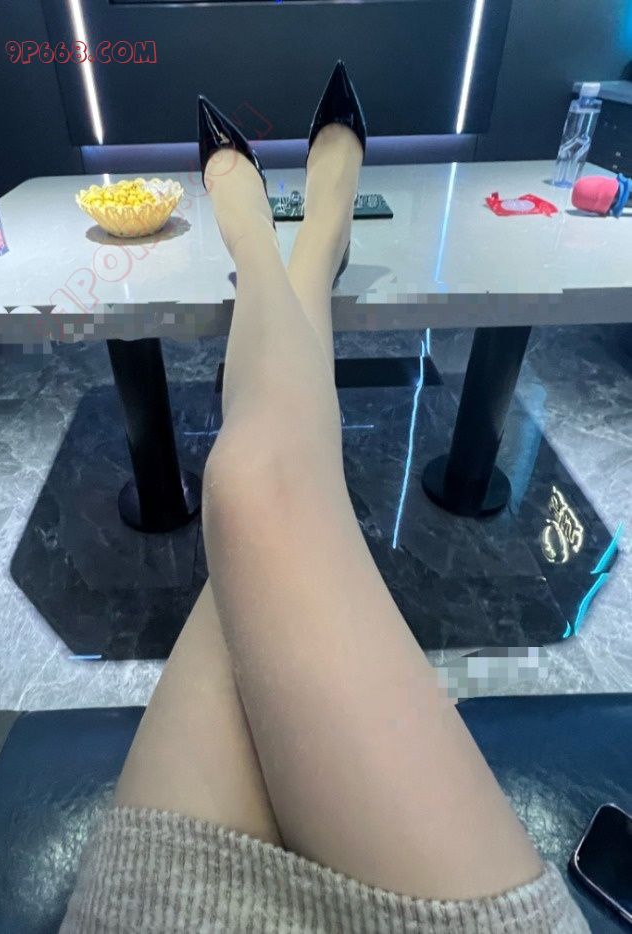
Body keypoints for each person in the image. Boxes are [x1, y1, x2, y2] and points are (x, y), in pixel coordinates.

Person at [60, 61, 590, 933]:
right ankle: (311, 240)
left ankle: (269, 249)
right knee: (269, 490)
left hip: (161, 901)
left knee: (262, 498)